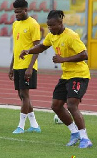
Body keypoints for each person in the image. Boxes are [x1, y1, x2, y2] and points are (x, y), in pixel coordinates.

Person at [19, 10, 92, 148]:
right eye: (48, 26)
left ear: (60, 22)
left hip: (79, 75)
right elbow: (42, 46)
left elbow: (84, 55)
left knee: (71, 105)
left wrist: (63, 59)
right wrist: (28, 50)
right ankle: (74, 133)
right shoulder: (52, 36)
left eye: (52, 26)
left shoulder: (71, 36)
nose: (50, 29)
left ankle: (85, 138)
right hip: (66, 75)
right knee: (56, 106)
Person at [8, 0, 41, 134]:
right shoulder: (15, 24)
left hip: (27, 65)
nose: (16, 14)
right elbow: (17, 48)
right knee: (21, 95)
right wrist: (11, 66)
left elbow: (37, 48)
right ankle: (34, 125)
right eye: (15, 12)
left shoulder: (33, 24)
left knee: (24, 94)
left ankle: (21, 126)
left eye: (19, 11)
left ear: (26, 10)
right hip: (17, 65)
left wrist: (30, 67)